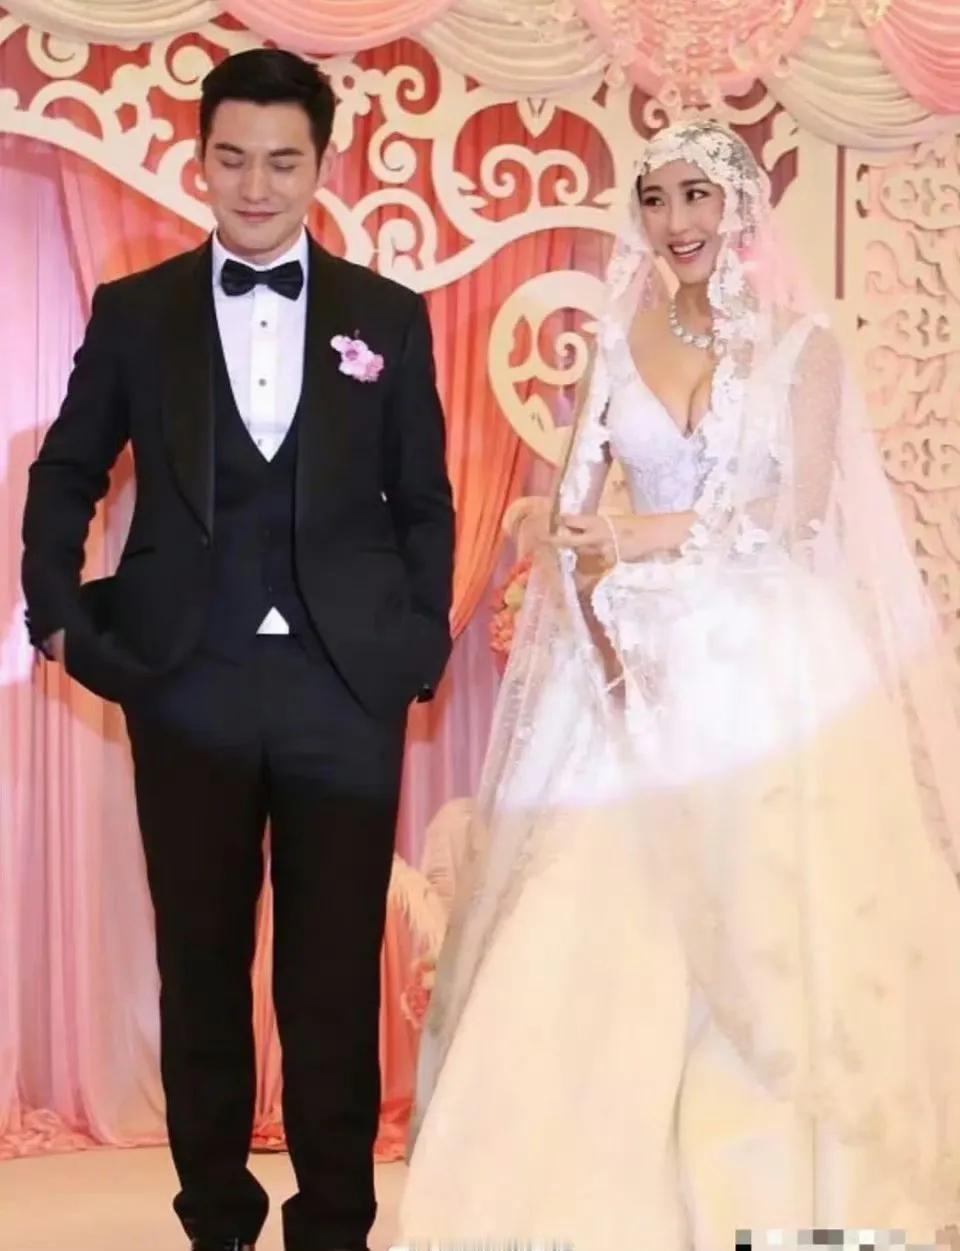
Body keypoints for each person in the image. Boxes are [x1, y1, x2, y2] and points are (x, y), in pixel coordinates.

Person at [396, 121, 960, 1250]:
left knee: (786, 917)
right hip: (629, 661)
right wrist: (569, 558)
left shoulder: (803, 348)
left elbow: (796, 511)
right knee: (600, 913)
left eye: (697, 196)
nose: (676, 221)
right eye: (655, 199)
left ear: (740, 205)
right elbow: (574, 507)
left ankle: (787, 1199)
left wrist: (637, 535)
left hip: (766, 665)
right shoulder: (617, 346)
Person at [21, 47, 455, 1251]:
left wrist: (415, 643)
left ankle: (335, 1226)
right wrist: (56, 613)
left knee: (332, 983)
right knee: (200, 972)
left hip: (344, 692)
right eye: (233, 159)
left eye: (282, 162)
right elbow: (67, 469)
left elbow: (424, 500)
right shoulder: (138, 311)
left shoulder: (386, 314)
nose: (256, 187)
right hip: (188, 685)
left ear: (321, 167)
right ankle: (216, 1221)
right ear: (199, 160)